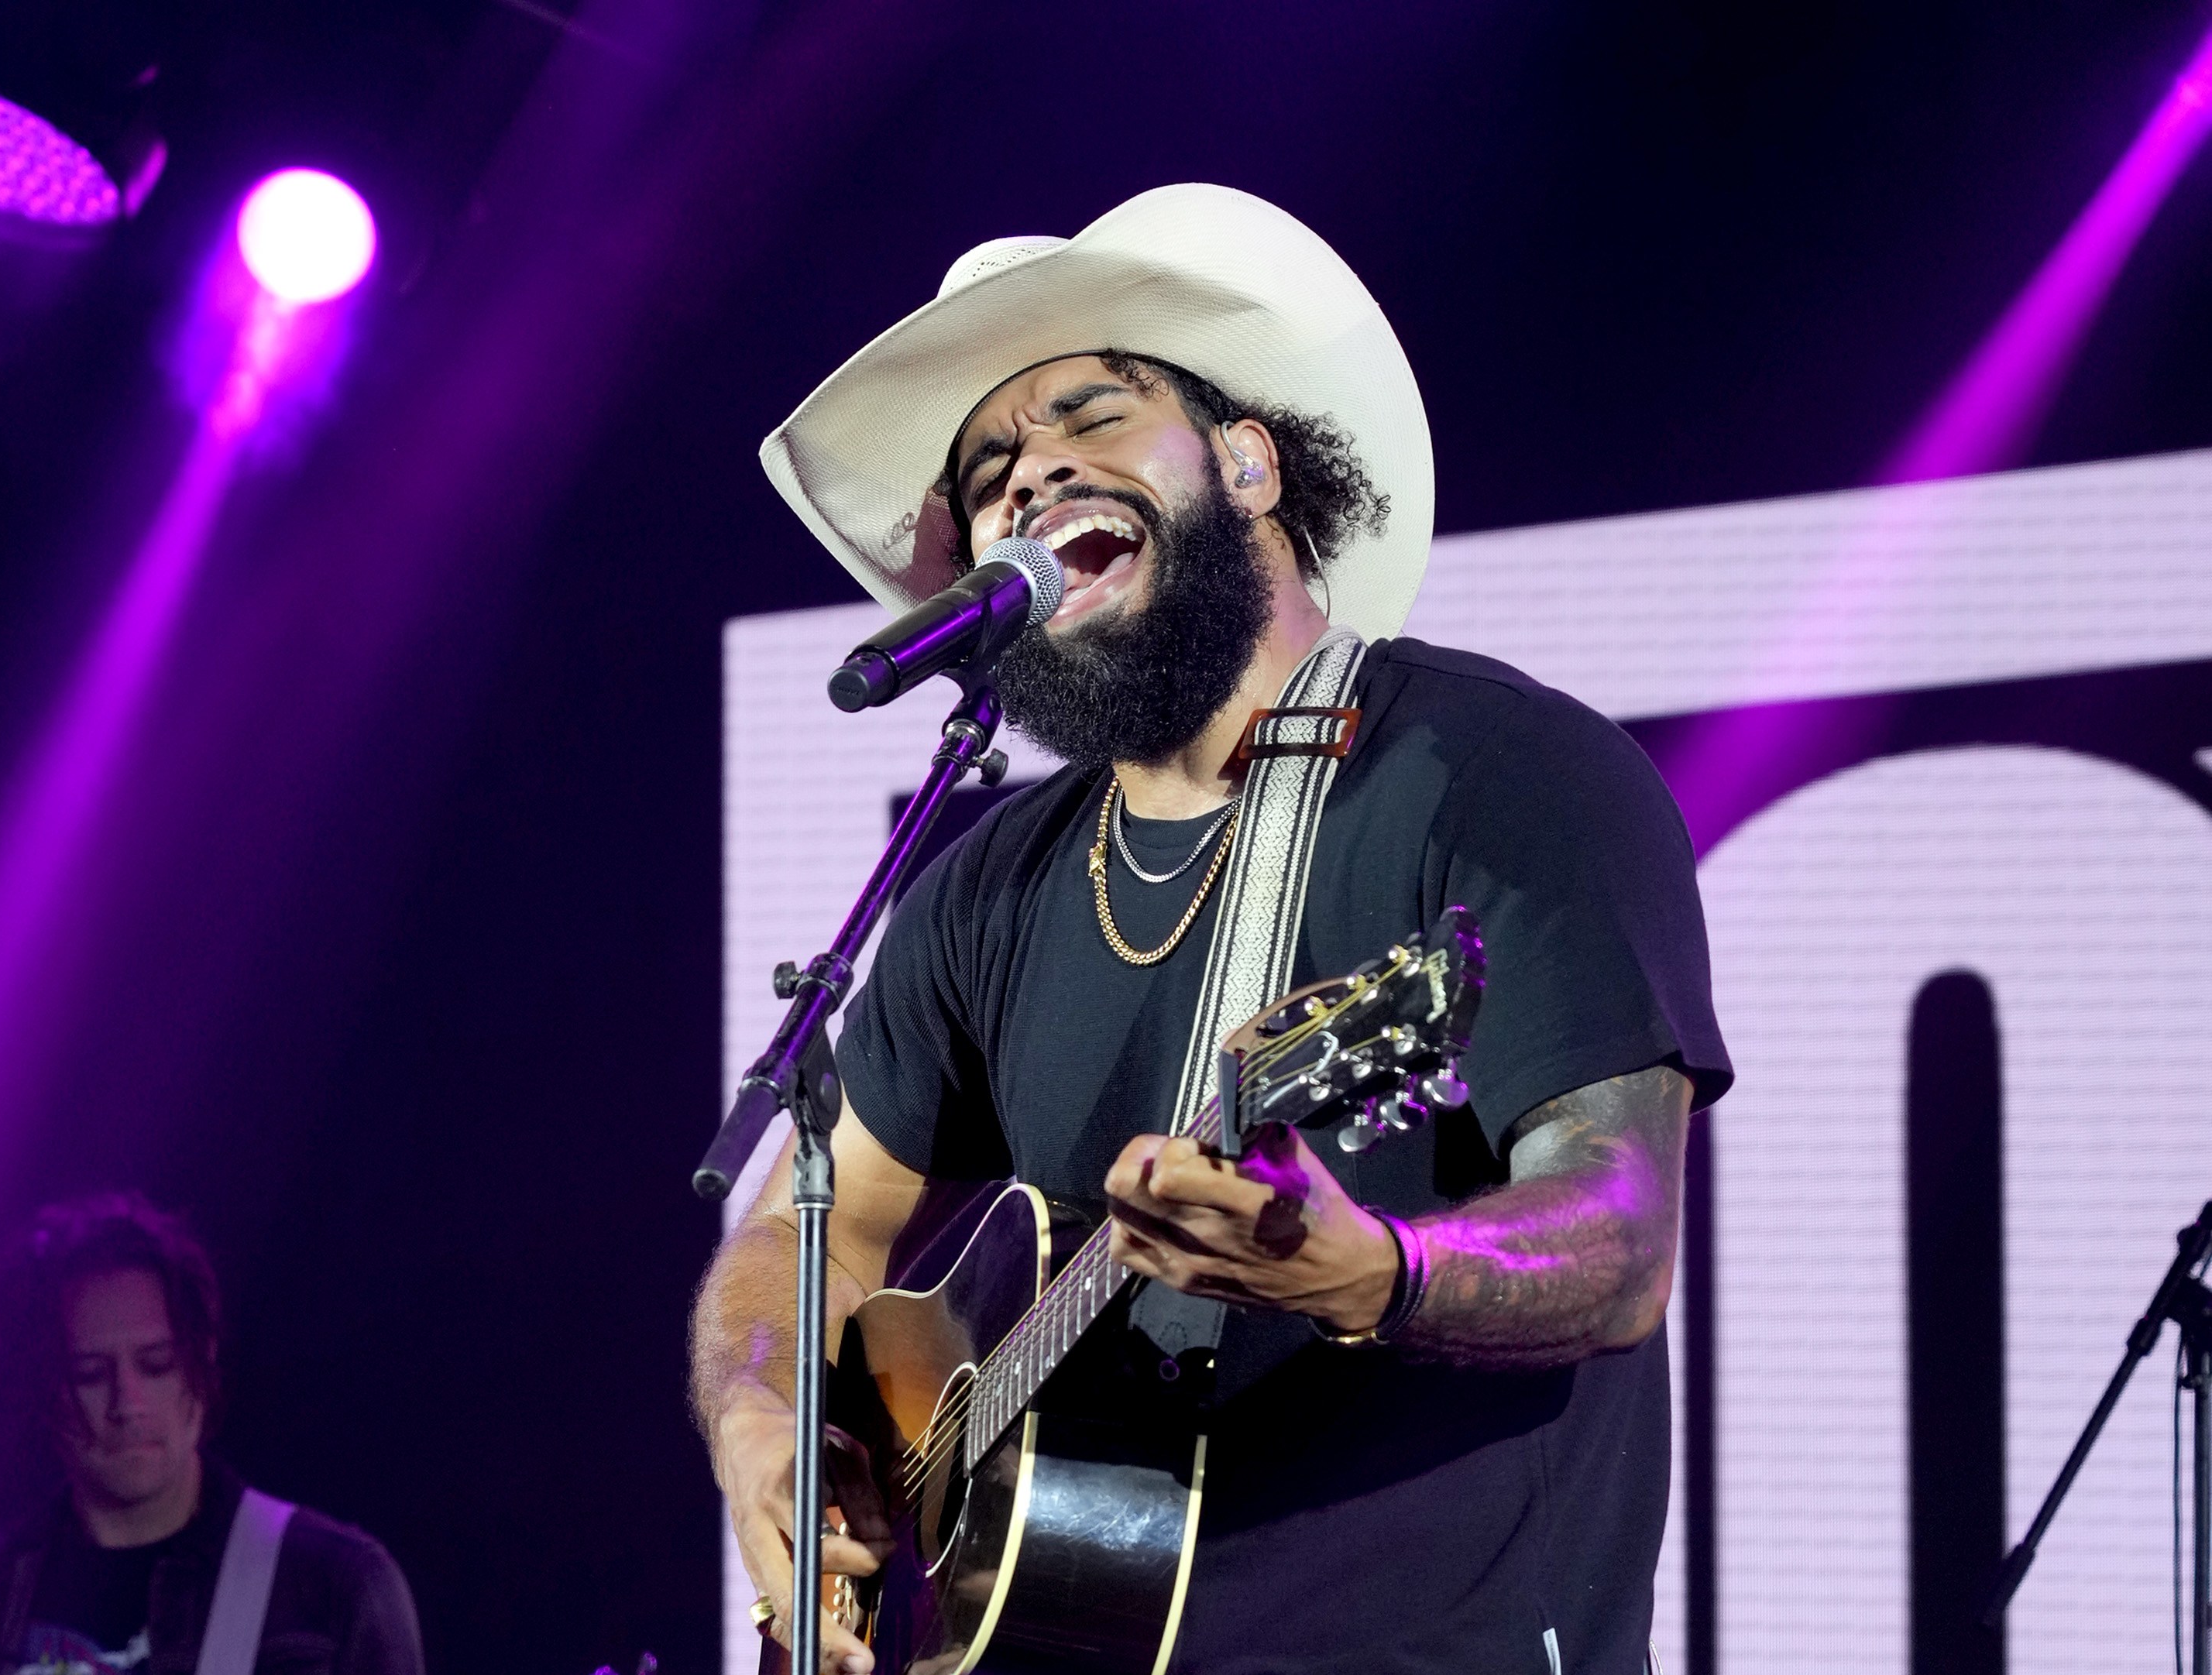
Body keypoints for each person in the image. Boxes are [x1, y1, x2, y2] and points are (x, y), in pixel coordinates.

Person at [691, 184, 1734, 1674]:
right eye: (988, 471)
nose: (1030, 473)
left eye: (1088, 415)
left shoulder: (1495, 773)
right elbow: (806, 1229)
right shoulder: (985, 885)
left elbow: (1620, 1233)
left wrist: (1379, 1269)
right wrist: (766, 1421)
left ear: (1248, 461)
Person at [0, 1193, 424, 1675]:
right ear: (41, 1387)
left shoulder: (334, 1587)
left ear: (201, 1362)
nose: (127, 1403)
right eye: (89, 1373)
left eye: (156, 1364)